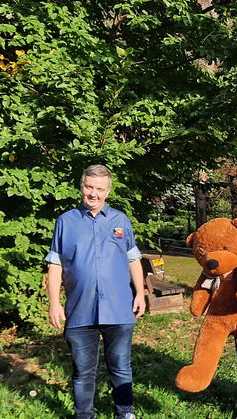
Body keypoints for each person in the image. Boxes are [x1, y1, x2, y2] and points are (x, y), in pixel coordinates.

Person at [46, 164, 146, 419]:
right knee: (83, 370)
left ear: (108, 191)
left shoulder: (120, 220)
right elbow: (55, 264)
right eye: (89, 187)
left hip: (119, 307)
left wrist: (140, 293)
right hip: (80, 310)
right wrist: (54, 304)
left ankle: (124, 412)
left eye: (99, 189)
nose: (93, 193)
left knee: (121, 367)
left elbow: (133, 259)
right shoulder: (65, 222)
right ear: (82, 186)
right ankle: (84, 415)